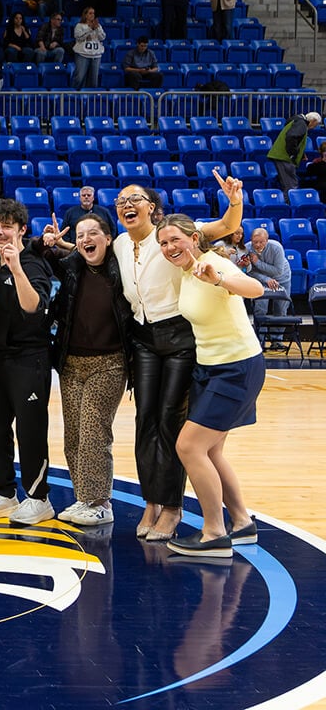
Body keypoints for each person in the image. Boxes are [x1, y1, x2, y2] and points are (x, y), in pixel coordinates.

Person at [111, 177, 245, 541]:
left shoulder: (172, 235)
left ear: (151, 207)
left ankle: (172, 506)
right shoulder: (121, 243)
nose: (126, 204)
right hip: (143, 338)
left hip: (179, 338)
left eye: (134, 198)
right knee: (145, 420)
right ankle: (151, 501)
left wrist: (234, 201)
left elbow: (227, 227)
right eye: (121, 200)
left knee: (171, 421)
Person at [157, 215, 265, 558]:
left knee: (189, 447)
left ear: (193, 238)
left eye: (175, 240)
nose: (169, 247)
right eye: (163, 243)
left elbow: (255, 288)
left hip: (236, 368)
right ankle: (242, 522)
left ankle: (214, 533)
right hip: (211, 367)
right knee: (212, 450)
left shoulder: (212, 262)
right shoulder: (186, 270)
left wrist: (219, 278)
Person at [36, 213, 132, 526]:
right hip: (71, 364)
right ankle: (84, 498)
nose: (86, 239)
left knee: (93, 431)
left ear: (109, 238)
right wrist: (46, 242)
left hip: (110, 362)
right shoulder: (73, 267)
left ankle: (100, 502)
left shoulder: (121, 271)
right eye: (80, 235)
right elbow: (40, 257)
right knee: (73, 437)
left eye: (93, 233)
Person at [0, 200, 57, 526]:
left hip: (29, 358)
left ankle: (39, 498)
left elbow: (34, 308)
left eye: (6, 225)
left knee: (31, 430)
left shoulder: (33, 262)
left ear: (21, 229)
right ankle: (5, 492)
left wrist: (18, 267)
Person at [241, 227, 293, 345]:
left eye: (261, 242)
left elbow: (278, 271)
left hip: (282, 279)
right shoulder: (247, 249)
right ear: (251, 240)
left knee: (281, 310)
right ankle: (260, 340)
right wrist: (266, 279)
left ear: (267, 241)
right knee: (260, 308)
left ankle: (277, 340)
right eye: (255, 242)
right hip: (262, 280)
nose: (258, 245)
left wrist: (257, 262)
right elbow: (249, 271)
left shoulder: (276, 248)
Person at [268, 111, 322, 193]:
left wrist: (301, 155)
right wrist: (293, 155)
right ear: (313, 121)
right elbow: (291, 137)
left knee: (288, 184)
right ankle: (291, 204)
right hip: (285, 157)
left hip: (282, 156)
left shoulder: (297, 121)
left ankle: (288, 203)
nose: (314, 127)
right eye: (315, 125)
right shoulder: (302, 124)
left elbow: (295, 140)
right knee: (291, 185)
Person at [71, 7, 106, 89]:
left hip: (96, 55)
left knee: (93, 81)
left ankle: (90, 99)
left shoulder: (98, 26)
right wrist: (90, 29)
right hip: (82, 54)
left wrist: (97, 29)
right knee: (79, 78)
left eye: (93, 13)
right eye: (90, 13)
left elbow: (102, 38)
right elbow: (79, 37)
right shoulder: (79, 26)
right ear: (85, 15)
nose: (92, 15)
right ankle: (73, 96)